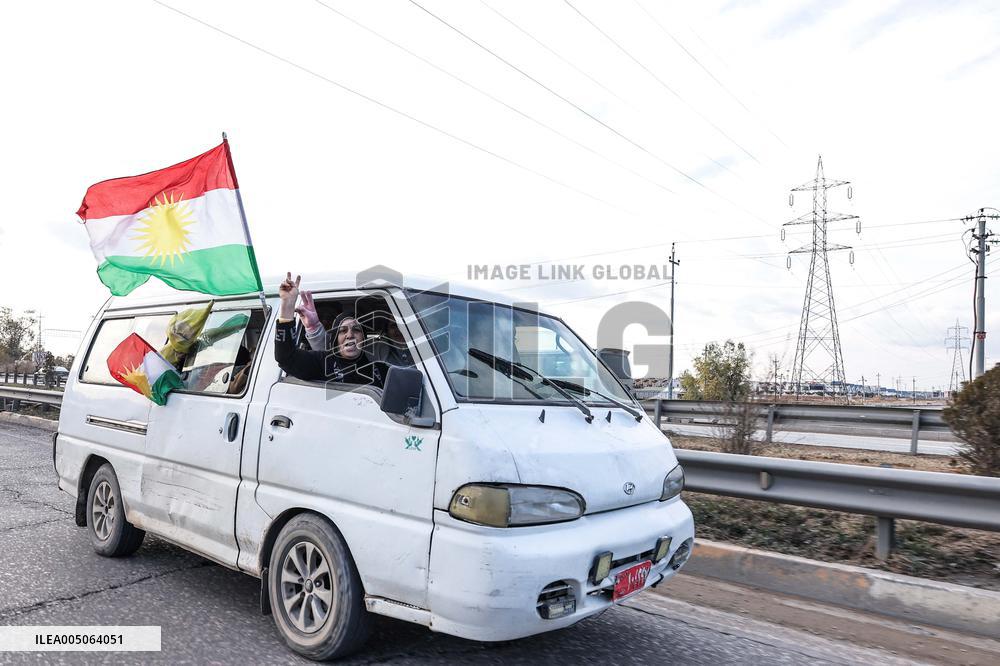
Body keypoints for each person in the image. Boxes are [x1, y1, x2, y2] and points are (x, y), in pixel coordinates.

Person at [274, 273, 386, 387]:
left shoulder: (380, 369)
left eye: (356, 330)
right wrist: (287, 305)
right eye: (342, 331)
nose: (350, 335)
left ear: (364, 338)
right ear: (336, 339)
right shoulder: (323, 362)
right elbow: (286, 357)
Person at [297, 290, 414, 367]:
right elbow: (328, 352)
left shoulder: (424, 349)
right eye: (343, 330)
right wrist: (313, 327)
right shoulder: (372, 349)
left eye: (356, 330)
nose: (399, 330)